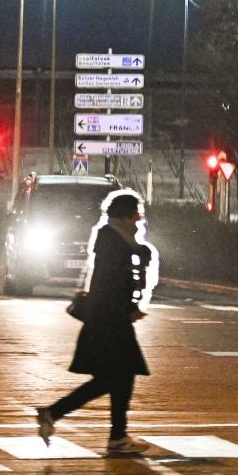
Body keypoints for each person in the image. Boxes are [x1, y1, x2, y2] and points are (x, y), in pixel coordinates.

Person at [35, 190, 156, 456]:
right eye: (136, 214)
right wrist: (129, 308)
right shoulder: (115, 242)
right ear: (125, 216)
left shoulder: (115, 239)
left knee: (116, 378)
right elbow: (113, 285)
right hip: (109, 323)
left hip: (108, 321)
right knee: (115, 378)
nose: (139, 220)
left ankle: (113, 433)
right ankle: (111, 434)